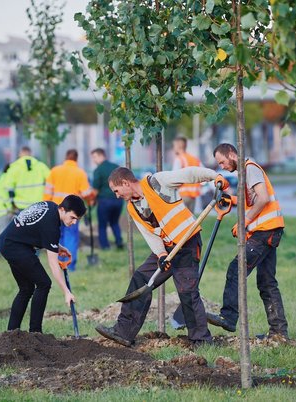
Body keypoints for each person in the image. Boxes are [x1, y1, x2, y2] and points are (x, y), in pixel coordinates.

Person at [95, 166, 229, 347]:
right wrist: (161, 254)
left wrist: (215, 176)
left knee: (187, 292)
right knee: (141, 279)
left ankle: (201, 340)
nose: (116, 195)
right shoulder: (132, 207)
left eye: (117, 190)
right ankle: (124, 332)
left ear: (125, 183)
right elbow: (150, 234)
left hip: (187, 243)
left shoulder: (157, 183)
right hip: (166, 247)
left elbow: (188, 174)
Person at [206, 143, 288, 341]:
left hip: (264, 231)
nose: (222, 167)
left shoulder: (249, 168)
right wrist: (232, 200)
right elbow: (251, 201)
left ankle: (228, 317)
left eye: (222, 162)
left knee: (236, 269)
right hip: (270, 231)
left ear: (232, 154)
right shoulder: (245, 171)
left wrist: (244, 222)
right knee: (267, 282)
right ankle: (279, 333)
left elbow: (263, 199)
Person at [0, 195, 87, 333]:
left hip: (8, 242)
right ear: (63, 209)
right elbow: (53, 263)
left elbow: (36, 229)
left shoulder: (51, 207)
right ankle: (35, 332)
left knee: (26, 288)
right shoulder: (52, 225)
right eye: (73, 217)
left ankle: (11, 333)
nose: (74, 222)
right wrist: (66, 292)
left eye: (78, 219)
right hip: (15, 247)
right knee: (44, 283)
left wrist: (58, 247)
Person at [43, 149, 93, 271]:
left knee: (56, 237)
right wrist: (89, 202)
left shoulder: (55, 171)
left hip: (57, 211)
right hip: (73, 212)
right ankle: (69, 266)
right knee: (71, 237)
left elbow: (47, 192)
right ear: (76, 159)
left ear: (65, 157)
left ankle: (57, 264)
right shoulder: (80, 173)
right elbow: (86, 193)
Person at [90, 148, 123, 250]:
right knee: (114, 222)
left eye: (94, 157)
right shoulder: (116, 167)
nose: (93, 160)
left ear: (101, 155)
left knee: (102, 225)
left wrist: (91, 201)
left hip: (104, 201)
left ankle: (105, 246)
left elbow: (95, 189)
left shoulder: (98, 170)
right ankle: (119, 242)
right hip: (118, 200)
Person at [3, 146, 50, 211]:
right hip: (38, 204)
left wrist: (11, 204)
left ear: (20, 154)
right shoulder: (41, 166)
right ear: (31, 154)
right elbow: (51, 181)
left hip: (21, 205)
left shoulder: (14, 167)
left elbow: (8, 187)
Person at [172, 136, 202, 212]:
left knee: (182, 221)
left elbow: (175, 178)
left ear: (179, 146)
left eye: (174, 146)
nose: (174, 148)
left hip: (182, 194)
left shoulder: (179, 159)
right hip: (193, 195)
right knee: (190, 220)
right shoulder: (194, 159)